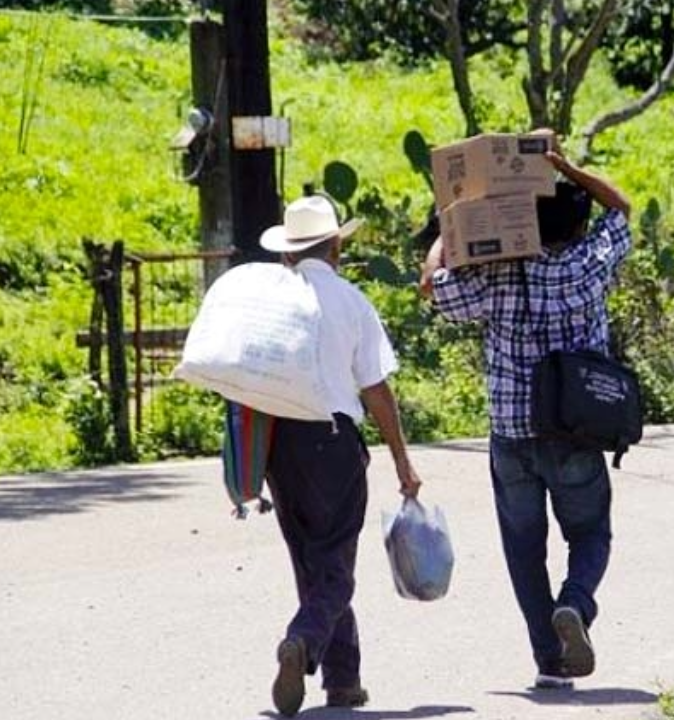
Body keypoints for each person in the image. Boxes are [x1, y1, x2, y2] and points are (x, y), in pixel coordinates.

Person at [420, 137, 632, 690]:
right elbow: (622, 208)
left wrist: (453, 220)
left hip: (511, 435)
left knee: (523, 550)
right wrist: (565, 166)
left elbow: (432, 289)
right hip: (576, 429)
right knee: (591, 534)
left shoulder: (496, 276)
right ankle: (576, 605)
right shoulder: (590, 263)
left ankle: (548, 660)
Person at [258, 195, 422, 716]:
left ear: (289, 253)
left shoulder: (268, 300)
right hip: (333, 441)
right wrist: (401, 459)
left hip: (279, 443)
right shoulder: (351, 301)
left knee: (312, 559)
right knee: (337, 566)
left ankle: (343, 680)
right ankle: (302, 640)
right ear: (336, 247)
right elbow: (375, 389)